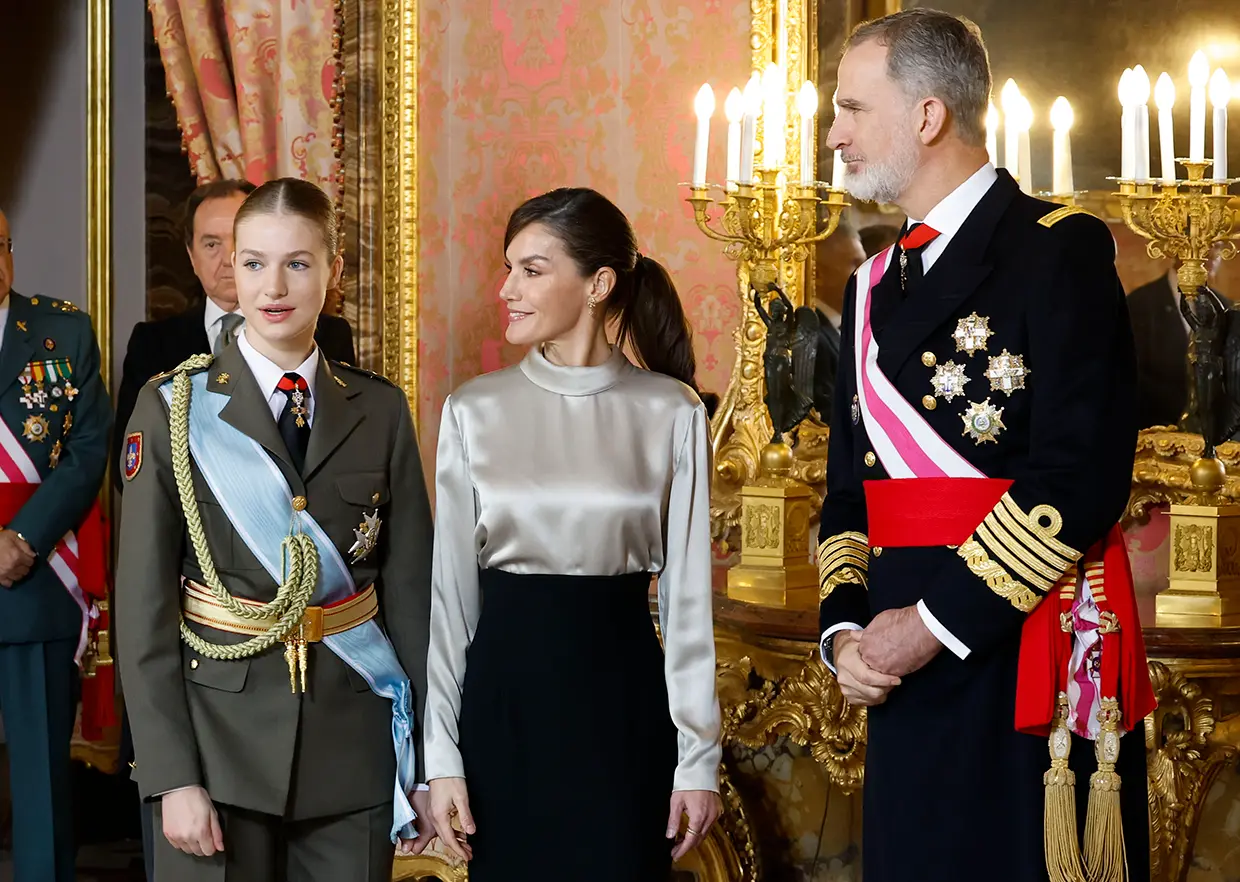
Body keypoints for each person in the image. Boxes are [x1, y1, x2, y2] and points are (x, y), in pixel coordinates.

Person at [816, 11, 1153, 882]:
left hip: (1016, 652)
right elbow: (849, 495)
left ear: (927, 116)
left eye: (852, 107)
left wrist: (928, 628)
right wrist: (846, 633)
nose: (834, 133)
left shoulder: (1057, 250)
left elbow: (1079, 476)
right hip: (892, 667)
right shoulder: (868, 286)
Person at [116, 178, 434, 882]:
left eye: (297, 263)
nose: (272, 286)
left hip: (352, 744)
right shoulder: (171, 409)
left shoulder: (380, 410)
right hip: (217, 748)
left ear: (333, 272)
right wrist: (172, 777)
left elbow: (412, 599)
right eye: (253, 262)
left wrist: (430, 763)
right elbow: (143, 615)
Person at [423, 187, 722, 882]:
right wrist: (442, 758)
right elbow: (450, 604)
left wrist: (697, 759)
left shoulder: (671, 412)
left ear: (599, 283)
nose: (506, 289)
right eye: (509, 268)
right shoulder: (474, 411)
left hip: (623, 716)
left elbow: (687, 611)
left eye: (531, 270)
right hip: (503, 715)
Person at [112, 179, 356, 492]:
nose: (229, 256)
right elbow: (133, 470)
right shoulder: (154, 344)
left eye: (238, 241)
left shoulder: (329, 335)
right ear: (191, 256)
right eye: (211, 243)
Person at [0, 208, 112, 881]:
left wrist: (22, 538)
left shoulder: (62, 331)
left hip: (33, 580)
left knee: (42, 788)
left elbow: (88, 449)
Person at [1127, 249, 1227, 428]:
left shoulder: (1223, 307)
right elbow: (1131, 372)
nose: (1213, 254)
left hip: (1213, 431)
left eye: (1218, 245)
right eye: (1204, 245)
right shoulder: (1140, 303)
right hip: (1155, 429)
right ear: (1178, 248)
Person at [813, 219, 867, 417]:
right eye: (855, 264)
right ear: (817, 274)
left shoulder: (850, 326)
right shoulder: (813, 337)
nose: (865, 272)